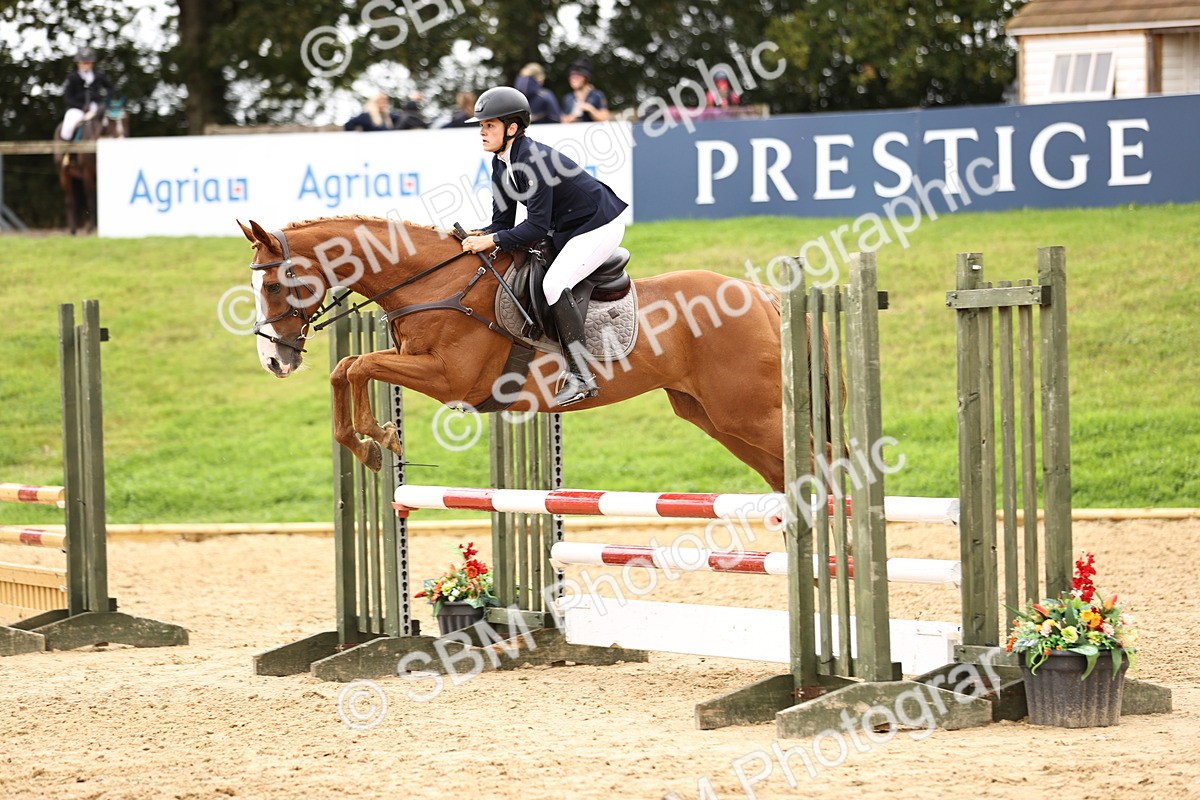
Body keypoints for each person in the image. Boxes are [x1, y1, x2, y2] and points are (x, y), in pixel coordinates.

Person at [459, 86, 628, 407]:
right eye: (481, 126)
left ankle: (581, 376)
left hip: (599, 225)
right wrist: (477, 234)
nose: (482, 132)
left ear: (512, 129)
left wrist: (491, 239)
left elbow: (535, 227)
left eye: (489, 125)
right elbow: (502, 225)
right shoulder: (500, 162)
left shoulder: (533, 160)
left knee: (554, 284)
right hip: (569, 228)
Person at [60, 46, 114, 141]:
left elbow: (111, 87)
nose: (86, 65)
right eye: (83, 63)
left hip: (96, 108)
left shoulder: (99, 75)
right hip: (77, 109)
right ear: (78, 63)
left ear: (92, 63)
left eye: (88, 63)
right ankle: (68, 153)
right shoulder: (72, 77)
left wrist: (106, 103)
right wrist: (82, 107)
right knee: (67, 128)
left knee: (110, 124)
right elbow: (67, 98)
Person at [561, 58, 609, 123]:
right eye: (571, 76)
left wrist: (590, 109)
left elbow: (605, 117)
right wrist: (571, 118)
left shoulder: (597, 95)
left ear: (585, 78)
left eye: (576, 76)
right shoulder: (568, 98)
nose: (573, 79)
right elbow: (562, 119)